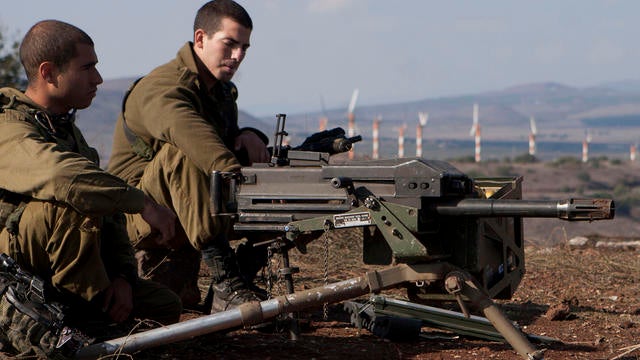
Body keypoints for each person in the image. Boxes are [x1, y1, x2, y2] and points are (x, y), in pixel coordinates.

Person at [0, 19, 182, 355]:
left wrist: (124, 279)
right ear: (49, 72)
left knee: (164, 306)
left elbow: (109, 214)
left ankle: (90, 312)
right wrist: (143, 203)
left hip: (68, 275)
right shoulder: (8, 126)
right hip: (16, 275)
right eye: (87, 68)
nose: (97, 79)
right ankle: (81, 318)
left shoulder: (67, 131)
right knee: (69, 204)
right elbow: (61, 176)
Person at [108, 0, 270, 313]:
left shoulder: (218, 92)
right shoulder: (163, 87)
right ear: (200, 39)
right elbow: (192, 137)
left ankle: (239, 280)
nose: (237, 56)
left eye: (244, 48)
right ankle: (226, 279)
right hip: (137, 211)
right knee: (183, 154)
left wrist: (247, 136)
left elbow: (220, 143)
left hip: (188, 204)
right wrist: (242, 175)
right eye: (229, 44)